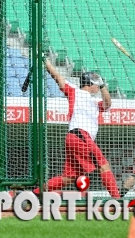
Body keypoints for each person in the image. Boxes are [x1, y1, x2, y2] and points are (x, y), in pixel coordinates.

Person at [33, 59, 121, 199]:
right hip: (81, 135)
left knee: (69, 178)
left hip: (75, 137)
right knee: (104, 166)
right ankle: (117, 200)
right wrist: (44, 59)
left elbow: (108, 103)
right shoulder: (76, 92)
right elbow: (57, 76)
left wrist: (102, 84)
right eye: (96, 85)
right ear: (89, 84)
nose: (97, 88)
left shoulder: (95, 103)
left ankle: (35, 193)